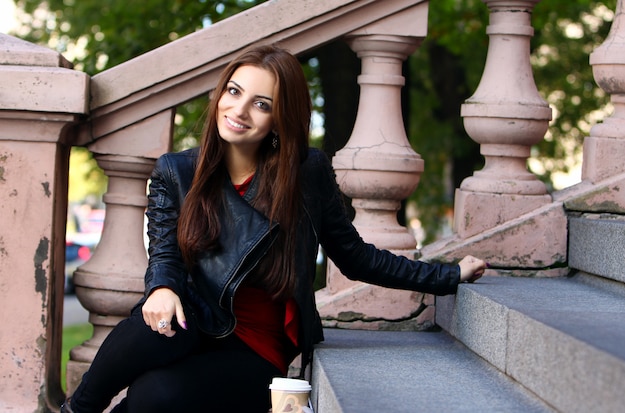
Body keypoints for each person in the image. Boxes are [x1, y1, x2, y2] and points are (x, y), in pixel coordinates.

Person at [62, 44, 486, 413]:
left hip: (256, 346)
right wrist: (162, 288)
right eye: (234, 92)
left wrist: (446, 275)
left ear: (281, 119)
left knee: (153, 396)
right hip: (194, 322)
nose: (240, 111)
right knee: (148, 327)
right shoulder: (177, 171)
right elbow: (165, 255)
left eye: (261, 104)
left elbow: (355, 257)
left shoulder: (306, 173)